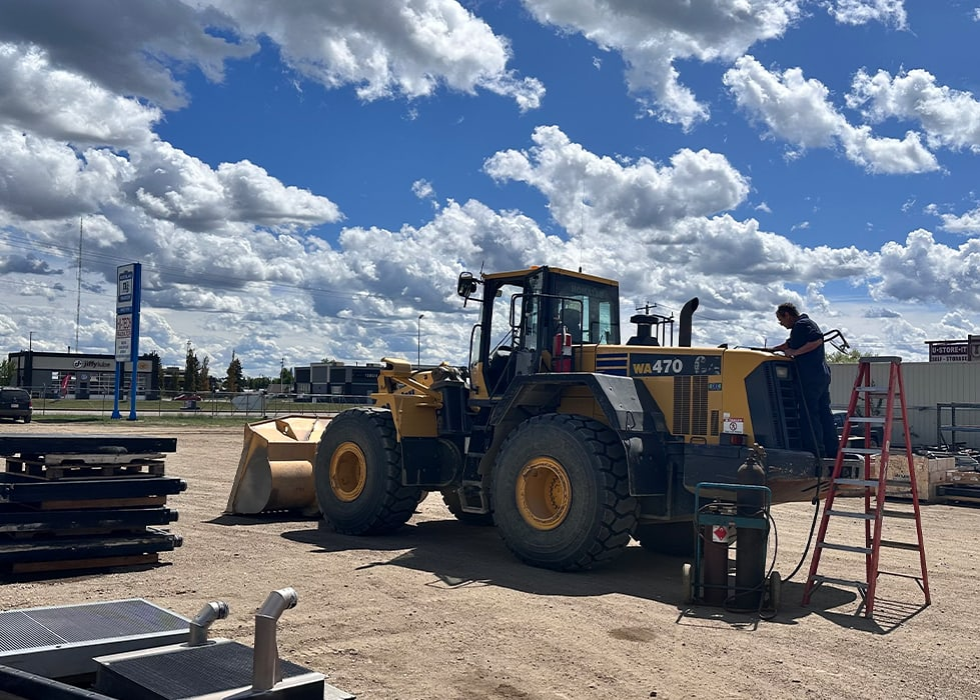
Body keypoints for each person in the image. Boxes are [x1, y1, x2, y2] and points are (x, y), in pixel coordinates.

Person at [773, 302, 839, 458]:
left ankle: (816, 451)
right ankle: (832, 450)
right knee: (824, 413)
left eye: (781, 320)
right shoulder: (805, 326)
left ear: (787, 314)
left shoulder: (802, 325)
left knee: (809, 414)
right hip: (821, 376)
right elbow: (788, 344)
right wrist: (772, 350)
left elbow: (816, 341)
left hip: (810, 376)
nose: (781, 324)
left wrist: (795, 352)